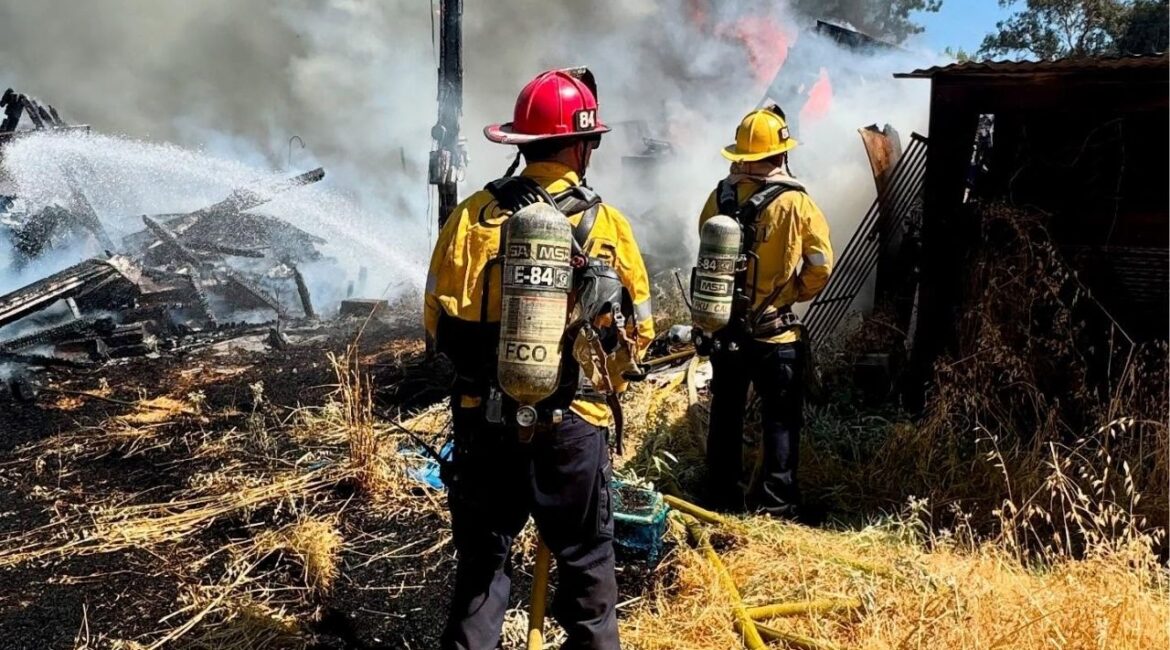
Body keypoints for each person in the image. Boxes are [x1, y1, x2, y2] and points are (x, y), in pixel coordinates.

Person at [424, 68, 654, 650]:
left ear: (522, 143)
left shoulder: (473, 216)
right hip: (574, 429)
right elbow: (639, 336)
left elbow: (436, 324)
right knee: (587, 574)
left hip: (485, 423)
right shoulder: (608, 226)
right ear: (581, 145)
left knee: (483, 571)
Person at [695, 105, 833, 518]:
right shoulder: (797, 203)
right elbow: (821, 263)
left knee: (725, 413)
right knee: (780, 421)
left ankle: (721, 496)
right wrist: (793, 293)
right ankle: (776, 506)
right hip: (774, 333)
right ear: (781, 154)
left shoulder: (718, 196)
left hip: (725, 328)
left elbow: (706, 248)